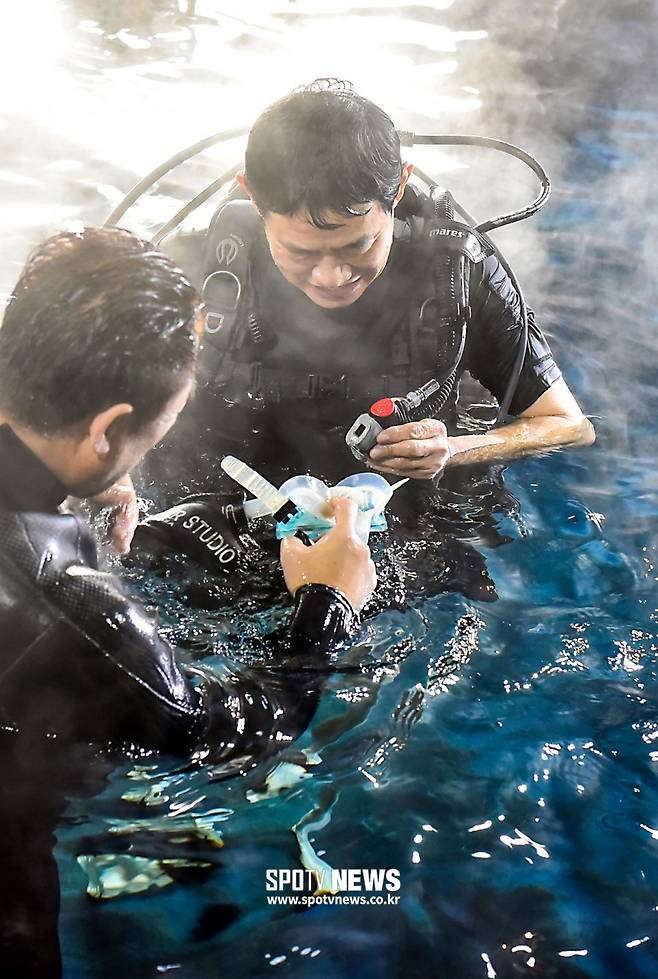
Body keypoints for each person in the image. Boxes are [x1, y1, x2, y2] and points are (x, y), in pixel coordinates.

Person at [0, 226, 376, 757]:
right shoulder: (64, 603)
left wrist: (79, 474)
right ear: (105, 431)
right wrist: (329, 604)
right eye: (161, 426)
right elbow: (217, 731)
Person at [140, 78, 593, 515]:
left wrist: (450, 450)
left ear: (397, 189)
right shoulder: (192, 265)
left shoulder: (457, 272)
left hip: (389, 499)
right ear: (252, 198)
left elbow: (569, 425)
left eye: (358, 246)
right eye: (299, 251)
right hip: (219, 478)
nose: (331, 276)